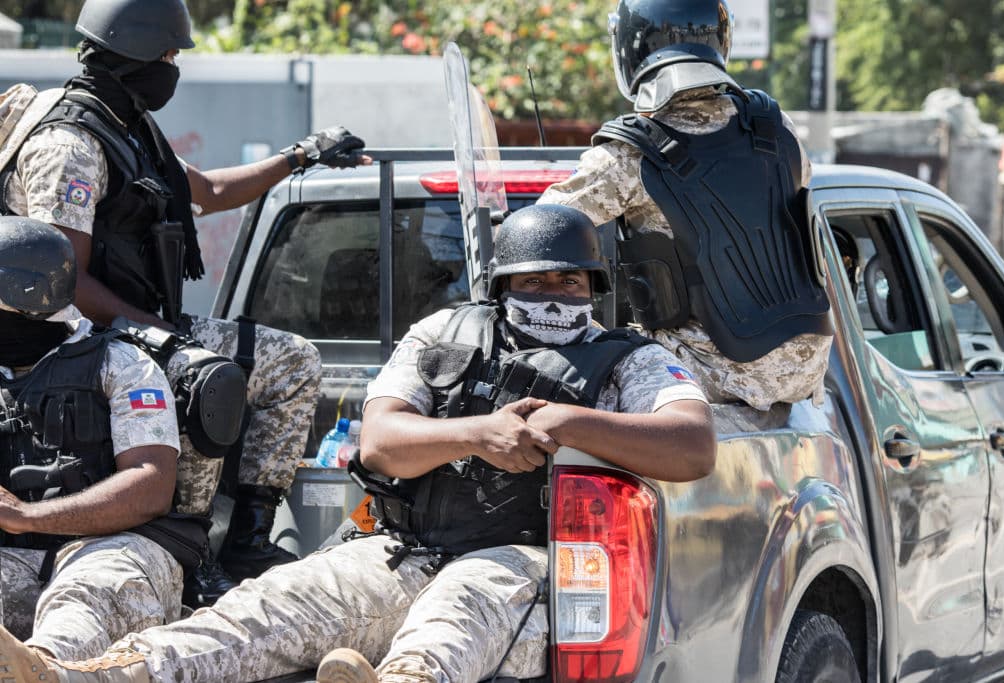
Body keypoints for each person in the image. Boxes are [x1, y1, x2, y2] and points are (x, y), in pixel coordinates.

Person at [0, 204, 717, 683]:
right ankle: (78, 674)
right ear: (504, 283)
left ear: (594, 285)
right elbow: (380, 442)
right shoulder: (442, 335)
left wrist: (571, 424)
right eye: (536, 278)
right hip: (406, 545)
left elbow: (692, 445)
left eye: (570, 279)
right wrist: (479, 433)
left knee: (458, 610)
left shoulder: (629, 358)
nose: (554, 293)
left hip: (528, 558)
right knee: (267, 607)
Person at [0, 0, 372, 604]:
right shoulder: (69, 143)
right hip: (69, 333)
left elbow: (210, 190)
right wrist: (165, 340)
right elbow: (59, 283)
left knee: (291, 360)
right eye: (171, 55)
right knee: (205, 377)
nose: (174, 67)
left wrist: (301, 155)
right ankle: (188, 555)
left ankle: (248, 537)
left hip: (138, 321)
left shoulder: (125, 124)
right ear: (136, 55)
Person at [538, 0, 833, 412]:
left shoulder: (631, 153)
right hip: (807, 373)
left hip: (706, 378)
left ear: (629, 48)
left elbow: (541, 233)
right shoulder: (776, 128)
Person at [0, 216, 184, 665]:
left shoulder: (123, 364)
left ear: (23, 299)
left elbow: (152, 484)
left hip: (112, 547)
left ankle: (40, 670)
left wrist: (27, 516)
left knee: (86, 598)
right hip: (15, 558)